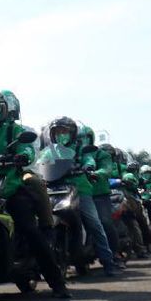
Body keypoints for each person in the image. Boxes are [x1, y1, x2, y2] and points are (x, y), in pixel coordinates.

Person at [0, 90, 70, 298]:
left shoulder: (13, 130)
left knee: (30, 229)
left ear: (3, 110)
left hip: (10, 188)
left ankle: (57, 283)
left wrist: (22, 156)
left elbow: (28, 149)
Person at [42, 118, 119, 276]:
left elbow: (88, 159)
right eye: (57, 132)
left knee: (95, 224)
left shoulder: (81, 149)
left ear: (72, 134)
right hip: (55, 190)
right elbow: (40, 163)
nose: (61, 135)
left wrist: (88, 167)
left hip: (80, 189)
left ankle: (108, 262)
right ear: (52, 134)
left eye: (64, 131)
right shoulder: (50, 151)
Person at [3, 89, 55, 235]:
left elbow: (32, 152)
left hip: (23, 170)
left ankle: (47, 226)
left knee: (34, 181)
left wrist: (22, 156)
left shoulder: (24, 130)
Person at [81, 127, 125, 265]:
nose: (82, 140)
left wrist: (96, 173)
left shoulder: (101, 154)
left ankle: (114, 254)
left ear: (91, 138)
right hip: (77, 192)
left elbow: (106, 169)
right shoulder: (70, 152)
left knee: (105, 222)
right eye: (78, 137)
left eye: (85, 137)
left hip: (98, 193)